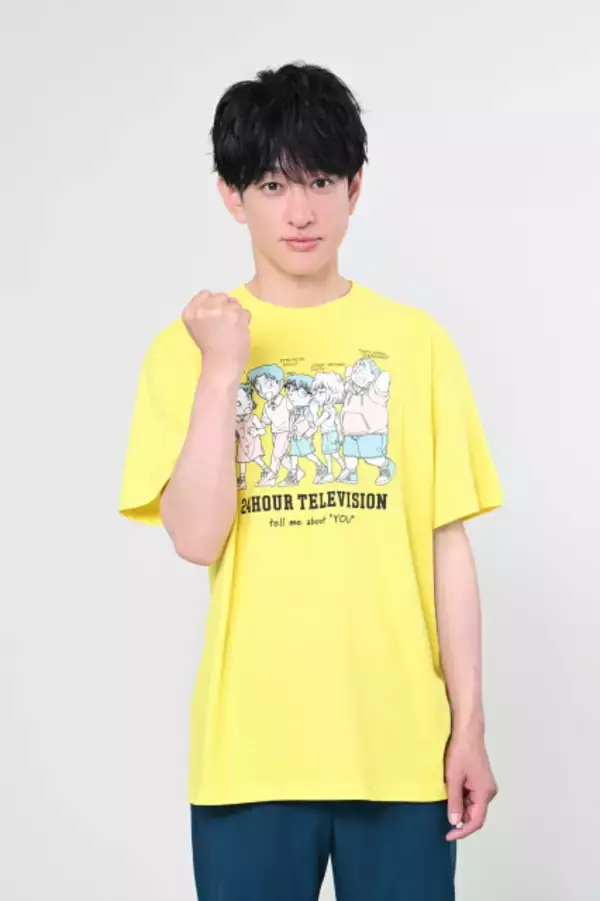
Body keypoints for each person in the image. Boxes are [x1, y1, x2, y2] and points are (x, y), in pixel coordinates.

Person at [118, 61, 504, 901]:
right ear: (232, 196)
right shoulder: (184, 349)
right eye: (272, 184)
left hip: (401, 747)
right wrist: (224, 368)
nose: (300, 211)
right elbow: (196, 537)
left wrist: (468, 726)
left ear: (355, 187)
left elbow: (447, 545)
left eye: (322, 181)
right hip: (251, 753)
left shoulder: (417, 343)